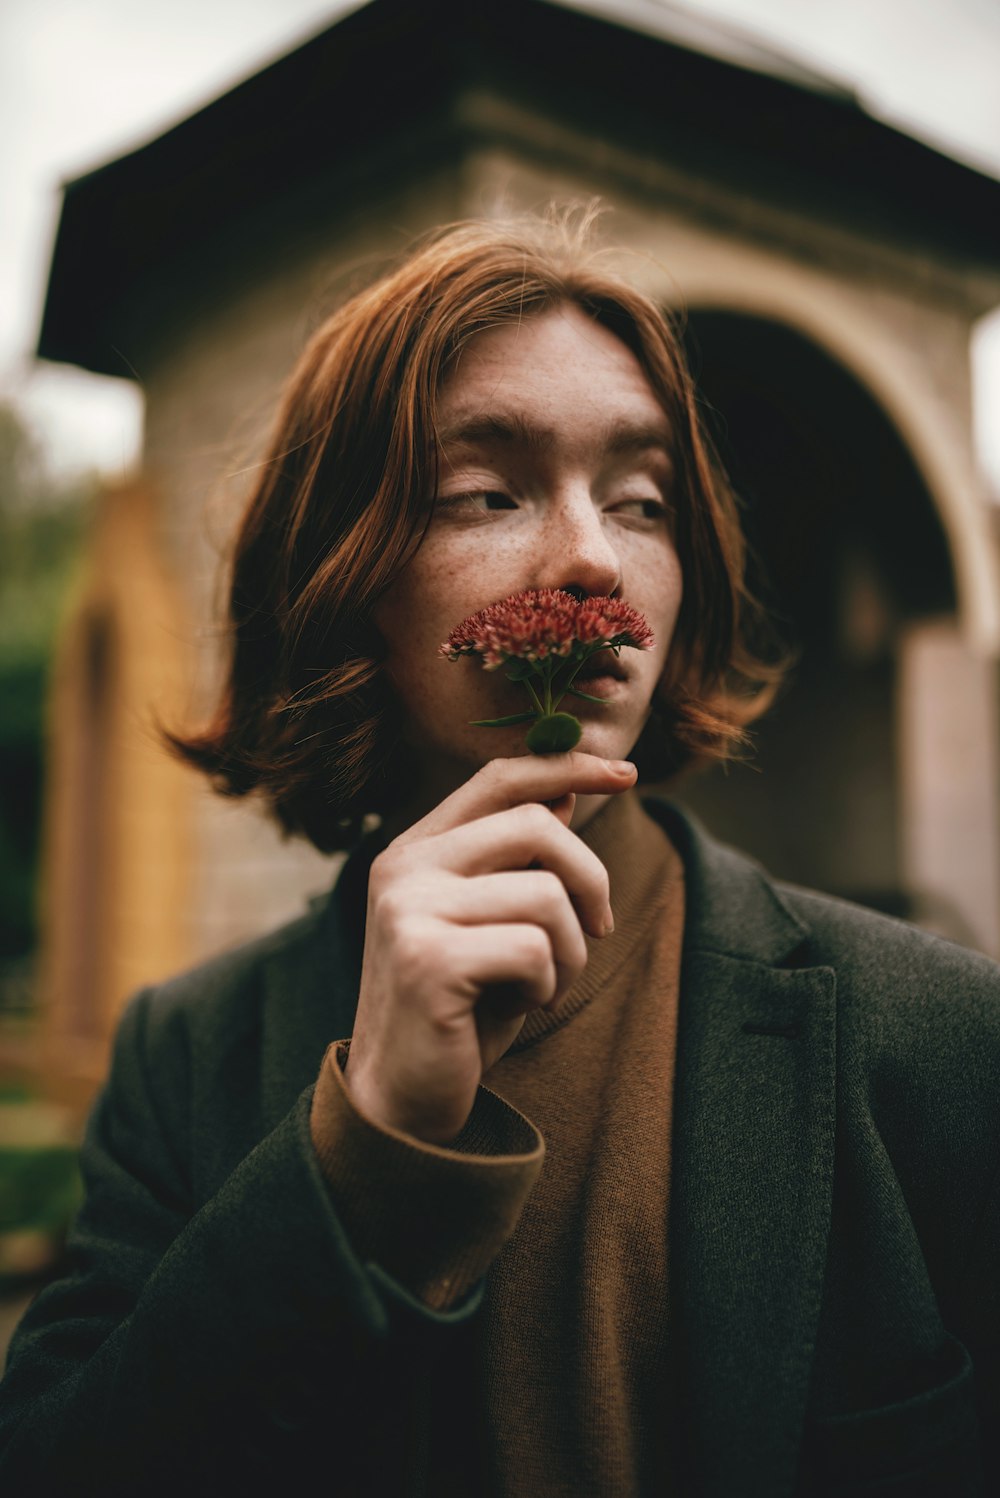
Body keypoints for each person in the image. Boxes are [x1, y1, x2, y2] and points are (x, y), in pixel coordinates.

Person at [1, 211, 997, 1498]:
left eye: (642, 501)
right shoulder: (184, 1059)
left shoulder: (941, 1040)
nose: (591, 556)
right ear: (342, 569)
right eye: (488, 491)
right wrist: (365, 1149)